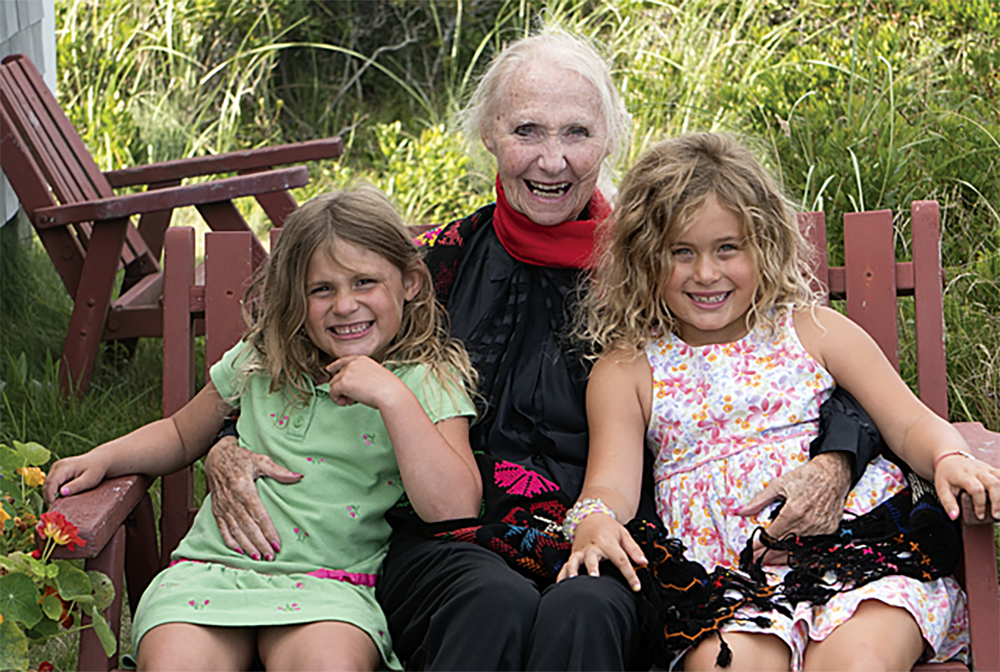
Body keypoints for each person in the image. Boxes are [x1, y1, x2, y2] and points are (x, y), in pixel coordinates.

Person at [200, 32, 880, 672]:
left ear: (609, 139)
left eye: (576, 133)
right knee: (491, 603)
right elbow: (312, 348)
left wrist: (835, 459)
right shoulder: (435, 268)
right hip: (450, 540)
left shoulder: (659, 270)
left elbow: (791, 361)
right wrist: (227, 442)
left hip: (614, 537)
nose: (551, 159)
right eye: (526, 130)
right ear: (490, 134)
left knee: (582, 611)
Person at [561, 132, 1000, 671]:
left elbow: (909, 423)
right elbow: (609, 483)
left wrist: (949, 457)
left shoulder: (813, 329)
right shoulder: (627, 368)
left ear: (763, 243)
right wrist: (595, 520)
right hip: (727, 587)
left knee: (855, 664)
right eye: (681, 252)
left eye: (728, 247)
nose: (706, 273)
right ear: (645, 258)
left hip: (859, 558)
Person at [44, 188, 480, 672]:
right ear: (294, 296)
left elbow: (456, 508)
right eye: (321, 289)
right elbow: (181, 434)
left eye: (363, 282)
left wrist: (393, 397)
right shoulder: (262, 362)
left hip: (330, 587)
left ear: (411, 282)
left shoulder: (425, 379)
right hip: (212, 573)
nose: (344, 305)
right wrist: (103, 458)